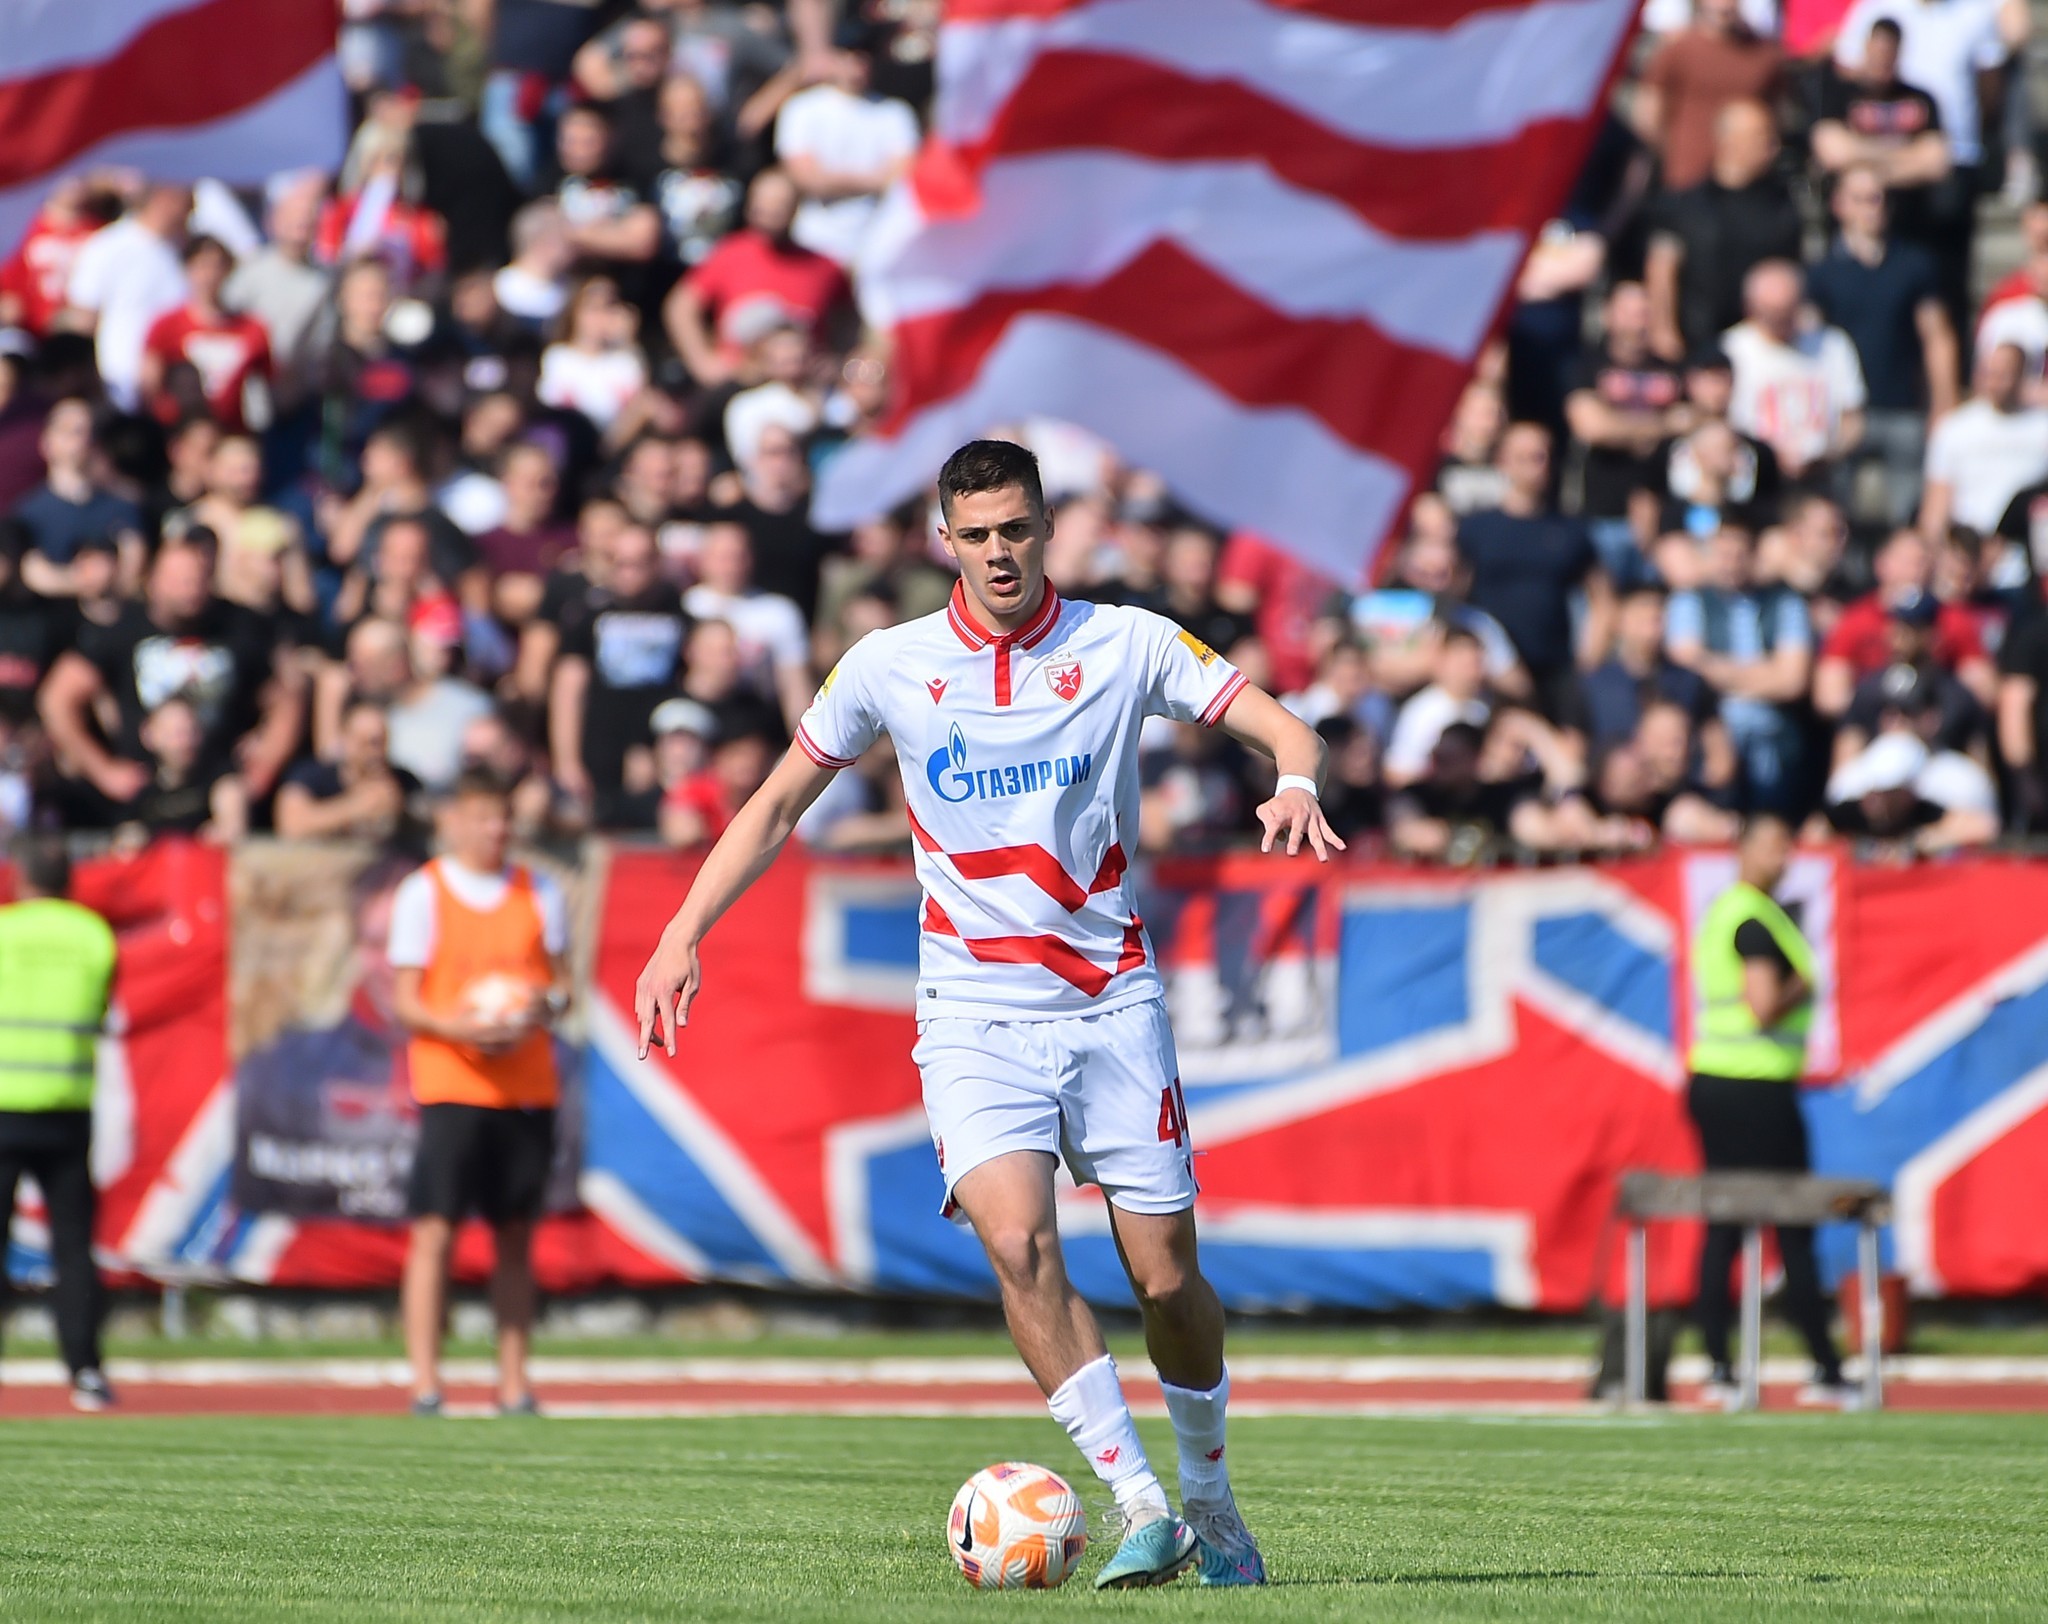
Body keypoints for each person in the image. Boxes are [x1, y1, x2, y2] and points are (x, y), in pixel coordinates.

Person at [634, 439, 1347, 1588]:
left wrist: (1296, 780)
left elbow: (1285, 726)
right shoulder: (886, 663)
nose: (998, 551)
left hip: (1111, 1002)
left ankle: (1212, 1502)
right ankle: (1139, 1500)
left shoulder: (1124, 641)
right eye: (976, 535)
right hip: (969, 1011)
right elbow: (773, 806)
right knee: (1016, 1242)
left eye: (1015, 528)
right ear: (943, 541)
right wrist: (680, 933)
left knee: (1166, 1278)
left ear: (1044, 525)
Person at [389, 771, 572, 1416]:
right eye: (483, 817)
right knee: (434, 1228)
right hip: (452, 1082)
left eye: (503, 817)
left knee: (516, 1234)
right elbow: (406, 998)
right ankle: (425, 1381)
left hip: (525, 1086)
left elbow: (562, 987)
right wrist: (460, 1027)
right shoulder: (424, 892)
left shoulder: (539, 890)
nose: (496, 830)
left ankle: (514, 1382)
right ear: (455, 822)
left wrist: (535, 1009)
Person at [1686, 815, 1855, 1407]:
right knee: (1791, 1225)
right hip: (1753, 1088)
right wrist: (1800, 989)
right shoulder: (1755, 920)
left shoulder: (1727, 912)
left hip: (1719, 1080)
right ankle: (1824, 1368)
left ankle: (1717, 1364)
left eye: (1788, 848)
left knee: (1725, 1224)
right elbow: (1762, 1007)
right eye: (1773, 846)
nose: (1784, 858)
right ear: (1744, 850)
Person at [0, 837, 118, 1411]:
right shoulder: (93, 935)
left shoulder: (4, 930)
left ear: (18, 877)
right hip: (68, 1107)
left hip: (3, 1104)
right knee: (72, 1249)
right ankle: (87, 1373)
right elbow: (99, 1011)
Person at [1806, 164, 1957, 527]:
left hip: (1902, 406)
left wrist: (1943, 405)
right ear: (1839, 205)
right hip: (1842, 413)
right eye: (1860, 200)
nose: (1871, 209)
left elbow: (1937, 336)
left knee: (1906, 515)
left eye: (1878, 199)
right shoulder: (1822, 272)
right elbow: (1809, 341)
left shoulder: (1913, 265)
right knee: (1837, 513)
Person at [1646, 100, 1803, 362]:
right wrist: (1663, 328)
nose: (1772, 145)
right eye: (1761, 136)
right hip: (1699, 345)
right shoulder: (1685, 205)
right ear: (1729, 141)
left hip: (1761, 349)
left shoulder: (1782, 207)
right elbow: (1661, 268)